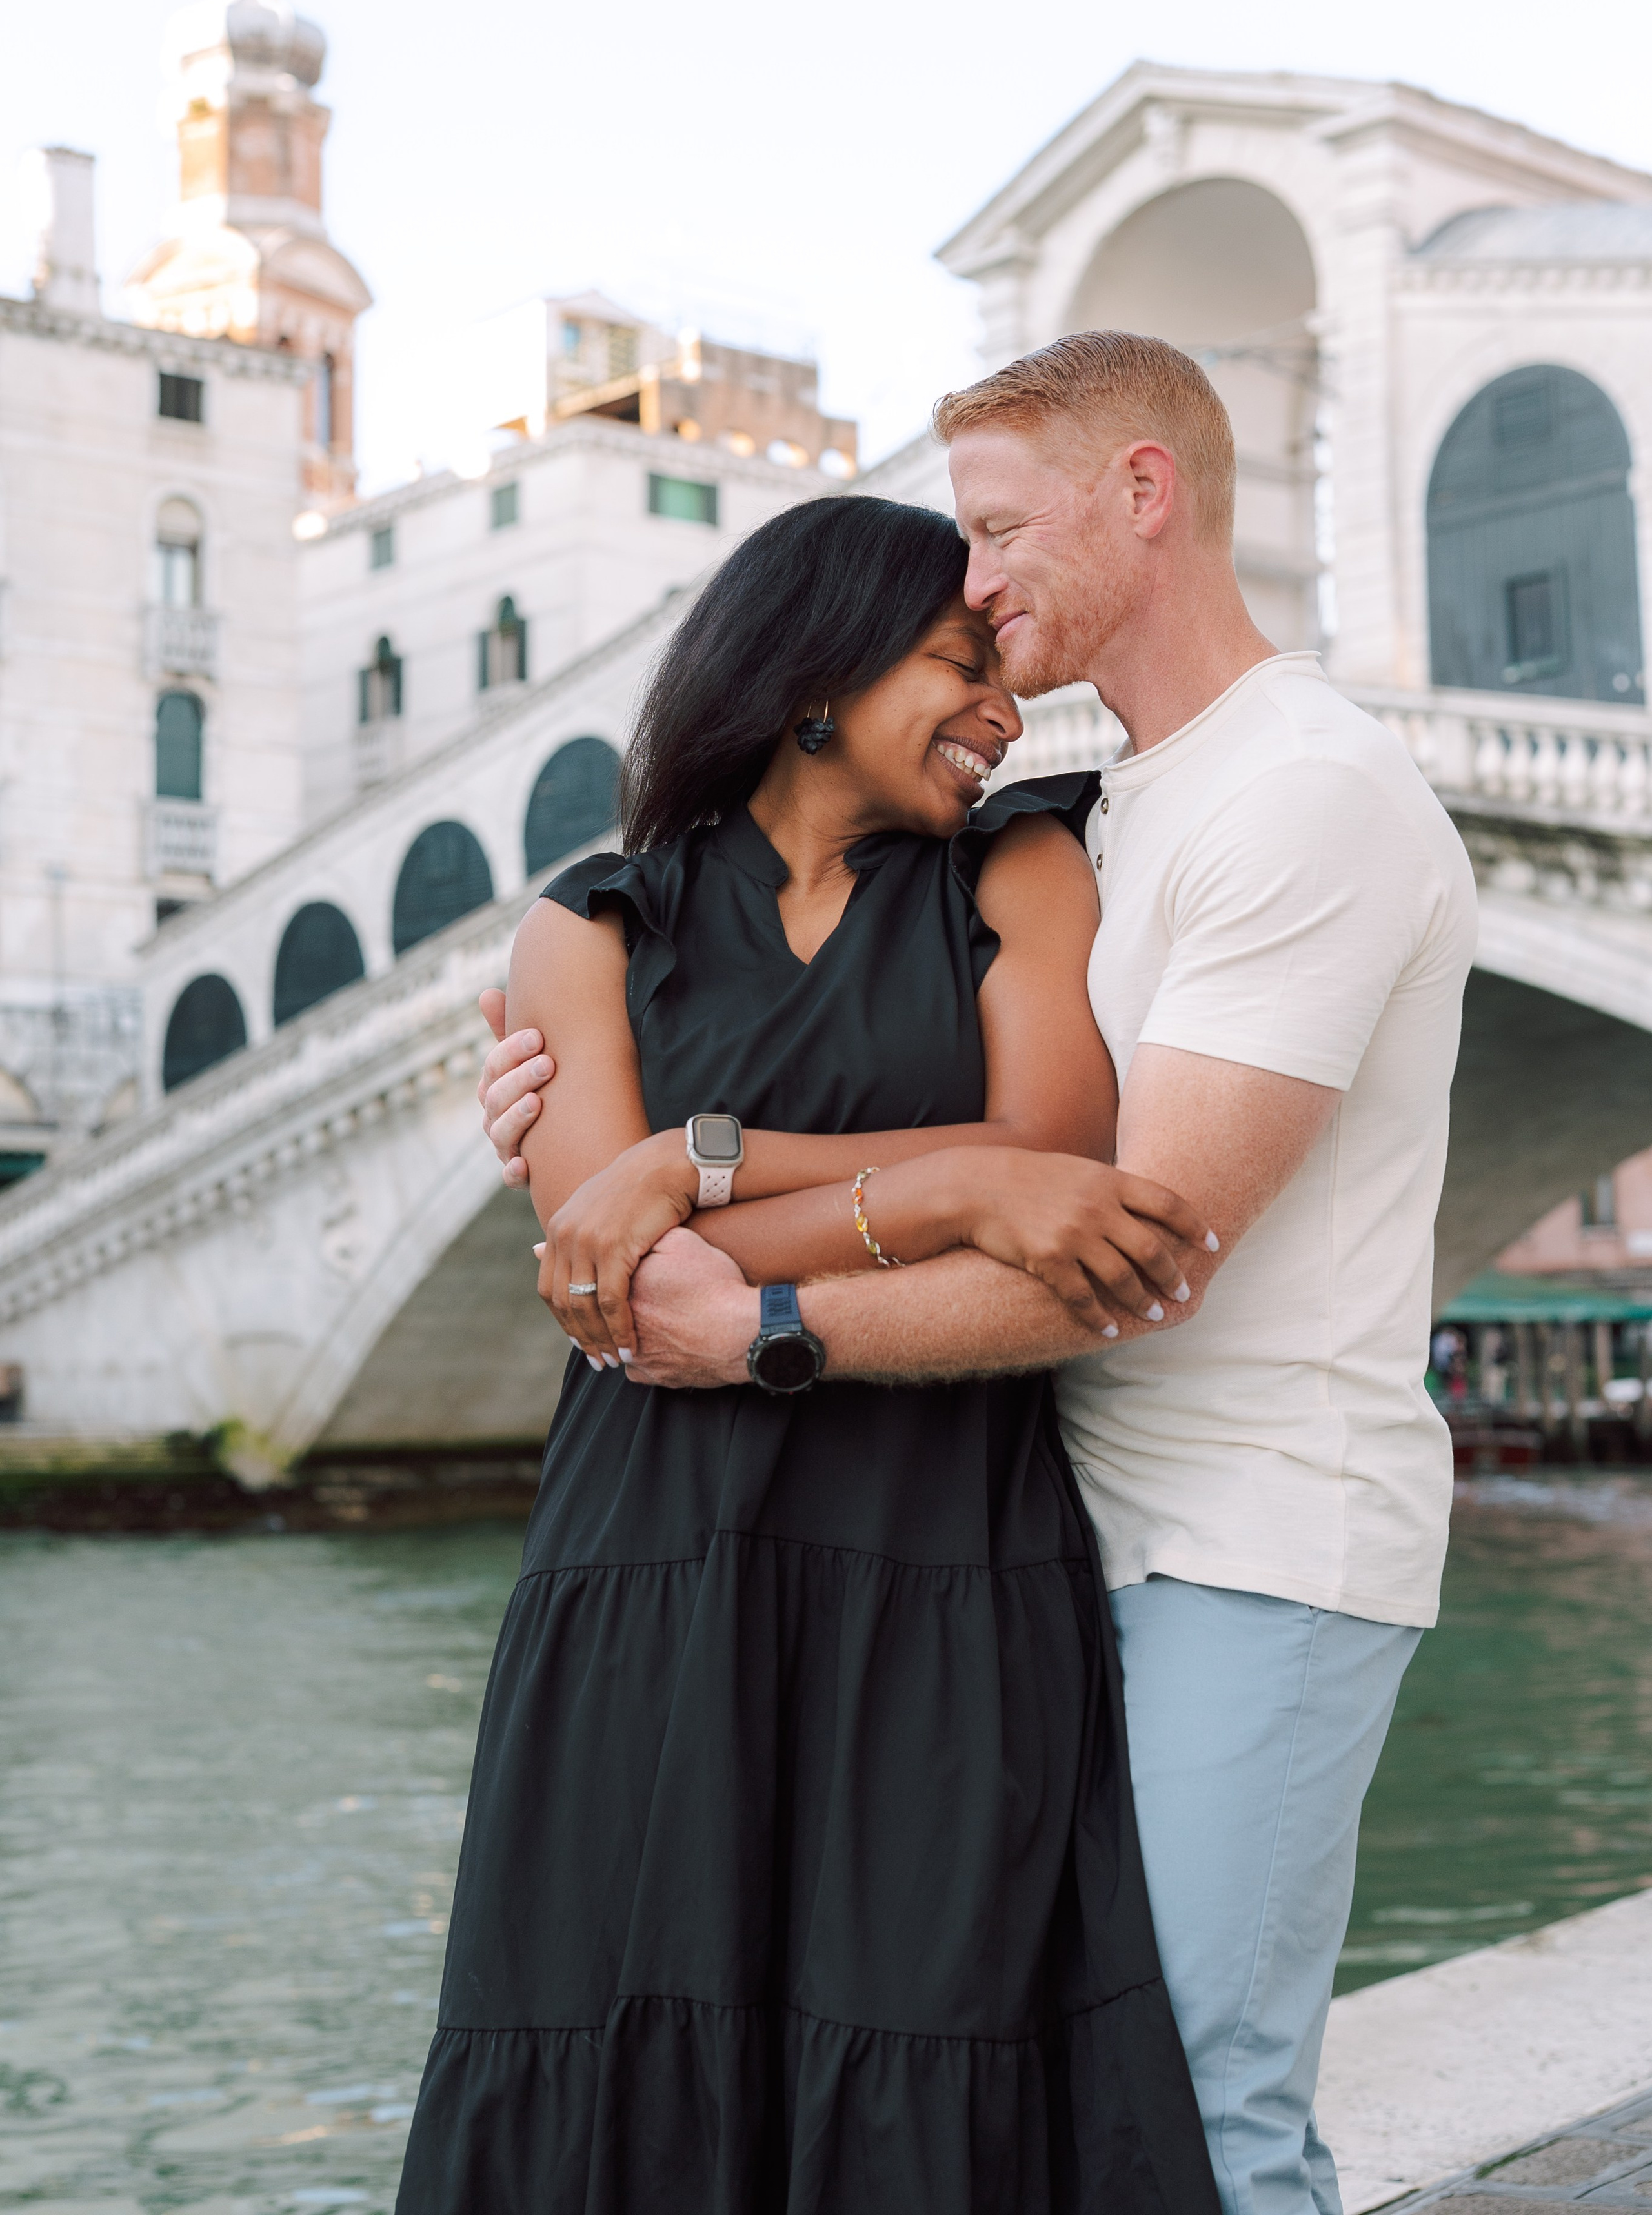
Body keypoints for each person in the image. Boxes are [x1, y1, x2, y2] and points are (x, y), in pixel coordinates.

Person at [482, 332, 1479, 2215]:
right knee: (1037, 2102)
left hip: (1254, 1538)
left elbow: (1123, 1238)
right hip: (1058, 1528)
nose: (986, 583)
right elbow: (962, 1160)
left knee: (1193, 2102)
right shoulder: (1128, 804)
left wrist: (754, 1311)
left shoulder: (1297, 798)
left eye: (1004, 528)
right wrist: (624, 1145)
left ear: (1145, 494)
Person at [399, 494, 1222, 2215]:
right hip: (652, 1563)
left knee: (933, 2036)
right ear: (812, 676)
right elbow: (611, 1275)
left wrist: (698, 1161)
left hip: (951, 1554)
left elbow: (1063, 1172)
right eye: (959, 667)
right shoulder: (589, 927)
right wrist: (955, 1177)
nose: (1005, 712)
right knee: (626, 2058)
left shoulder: (1019, 865)